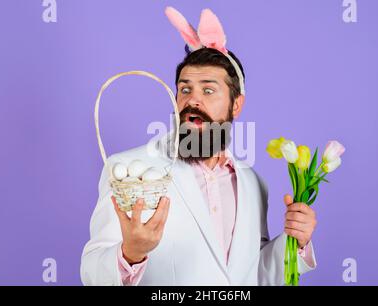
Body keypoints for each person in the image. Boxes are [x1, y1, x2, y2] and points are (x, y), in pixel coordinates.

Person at [80, 7, 317, 286]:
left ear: (236, 104)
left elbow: (253, 274)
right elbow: (92, 274)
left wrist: (296, 242)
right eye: (185, 89)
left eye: (208, 90)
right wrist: (130, 254)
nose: (193, 100)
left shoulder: (254, 183)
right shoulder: (129, 171)